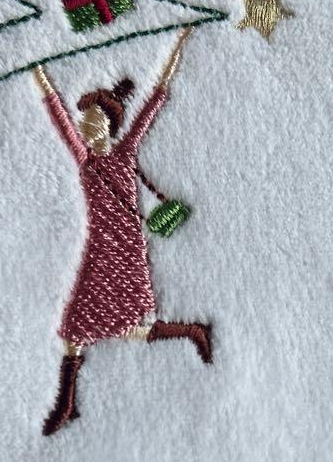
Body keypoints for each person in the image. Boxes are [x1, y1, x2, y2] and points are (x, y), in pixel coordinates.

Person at [33, 28, 211, 437]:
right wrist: (39, 74)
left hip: (125, 251)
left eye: (92, 120)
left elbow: (154, 101)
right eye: (84, 120)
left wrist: (178, 47)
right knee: (86, 328)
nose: (85, 125)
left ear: (109, 126)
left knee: (108, 328)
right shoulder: (85, 162)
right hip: (100, 250)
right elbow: (58, 116)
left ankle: (68, 404)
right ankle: (69, 404)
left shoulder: (126, 153)